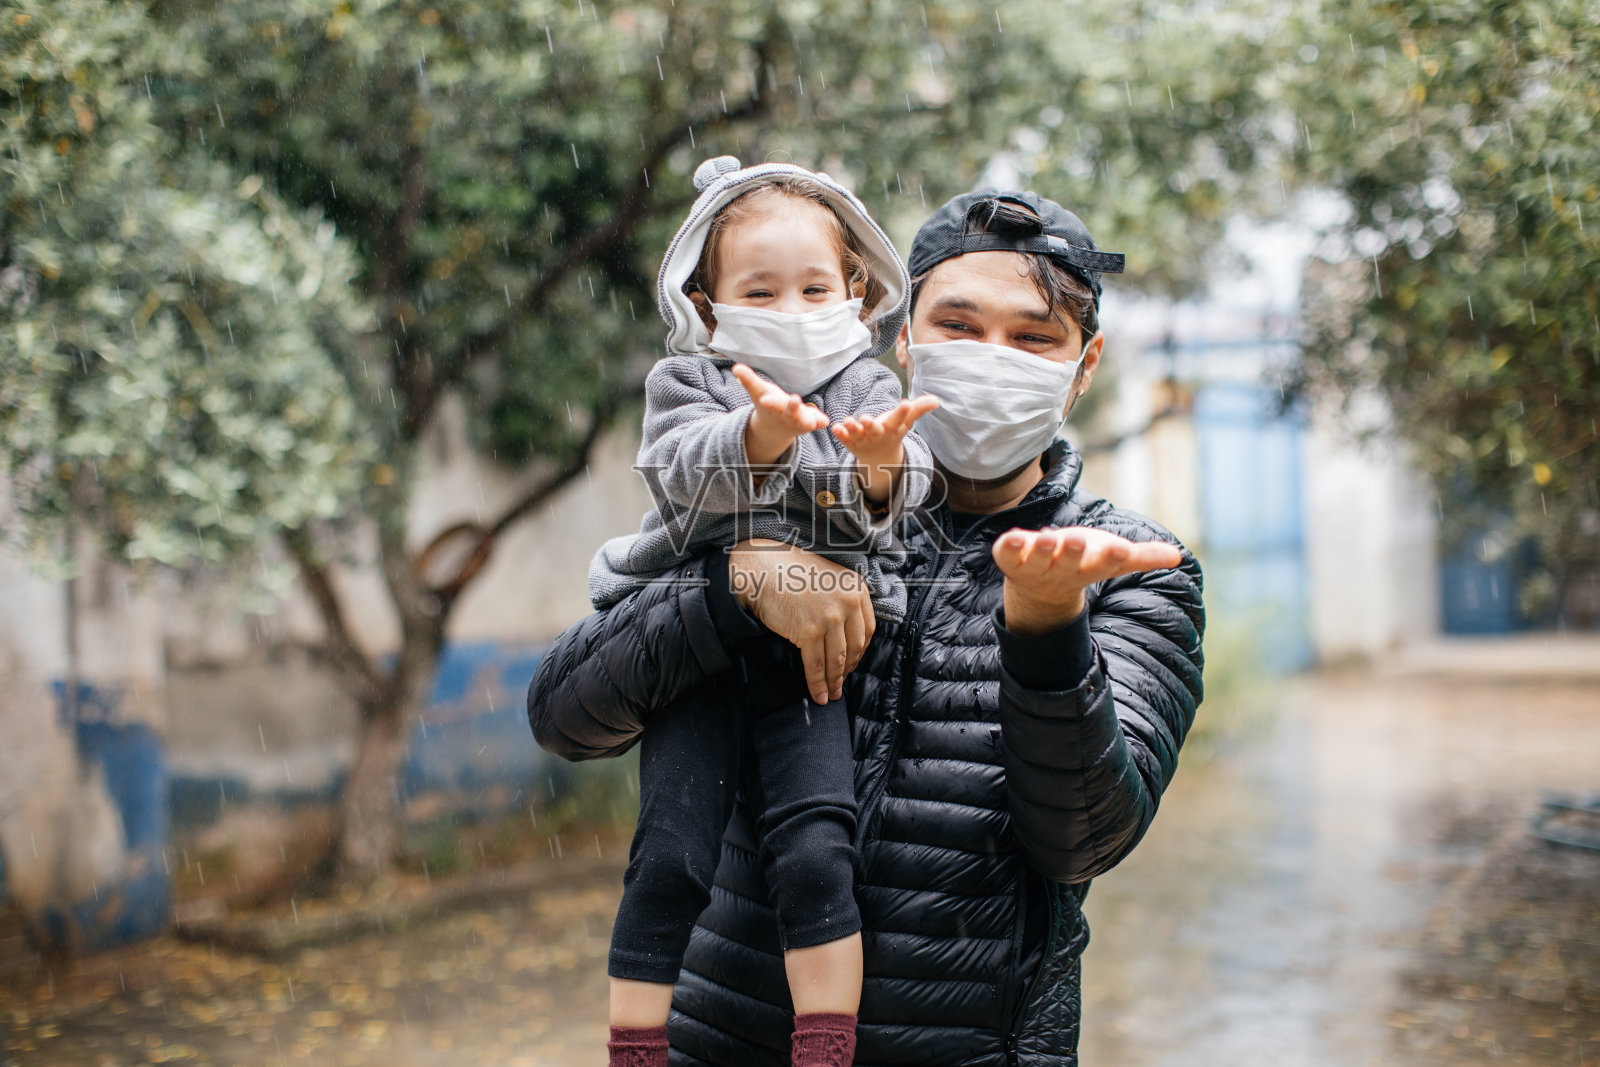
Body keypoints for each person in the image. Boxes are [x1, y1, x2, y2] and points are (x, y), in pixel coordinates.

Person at [530, 187, 1205, 1066]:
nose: (992, 359)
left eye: (1034, 337)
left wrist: (1046, 631)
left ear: (1085, 365)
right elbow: (566, 715)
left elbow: (1082, 837)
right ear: (901, 338)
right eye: (958, 327)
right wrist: (737, 584)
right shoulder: (781, 503)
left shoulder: (1126, 568)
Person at [576, 156, 940, 1067]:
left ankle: (825, 1049)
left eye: (815, 286)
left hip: (809, 665)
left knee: (819, 857)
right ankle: (634, 1047)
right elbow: (681, 481)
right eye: (760, 289)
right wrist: (758, 434)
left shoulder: (867, 390)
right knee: (669, 860)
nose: (790, 308)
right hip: (700, 652)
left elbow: (886, 516)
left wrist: (879, 468)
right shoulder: (687, 383)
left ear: (857, 292)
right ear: (707, 302)